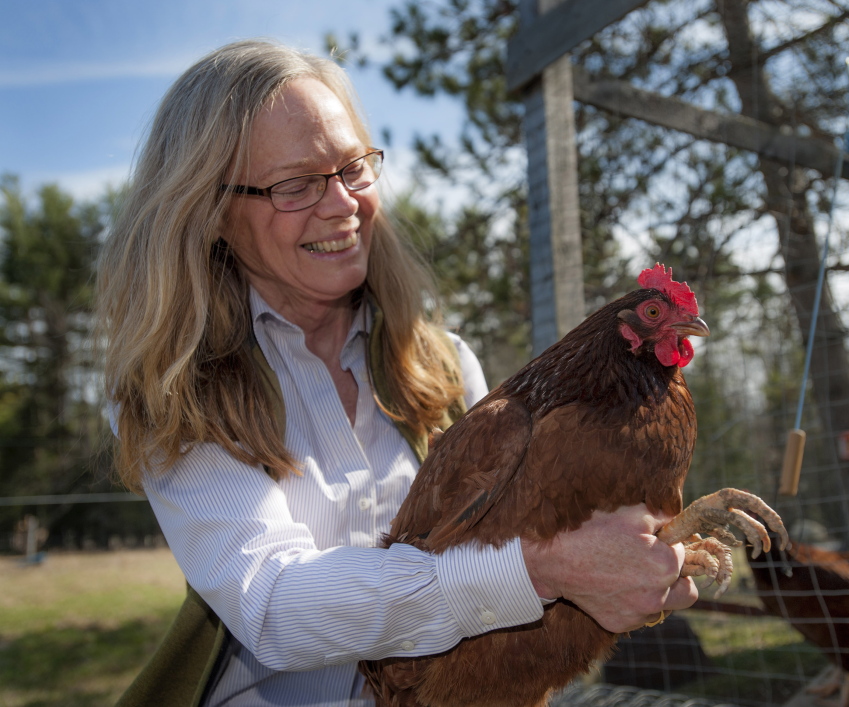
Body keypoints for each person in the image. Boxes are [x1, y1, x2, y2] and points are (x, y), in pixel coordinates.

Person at [96, 38, 697, 706]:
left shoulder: (441, 366)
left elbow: (524, 568)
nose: (341, 204)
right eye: (294, 184)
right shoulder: (176, 393)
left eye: (353, 167)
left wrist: (627, 562)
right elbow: (271, 602)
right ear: (209, 212)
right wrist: (539, 570)